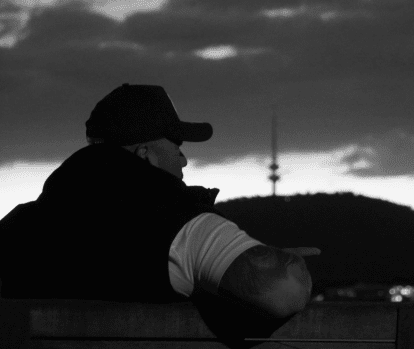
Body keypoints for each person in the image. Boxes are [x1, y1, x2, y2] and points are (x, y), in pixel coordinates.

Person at [0, 84, 318, 318]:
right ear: (145, 155)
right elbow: (283, 292)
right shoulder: (180, 226)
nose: (183, 160)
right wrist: (275, 264)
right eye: (176, 145)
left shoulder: (16, 226)